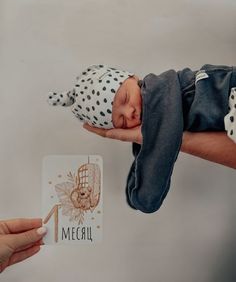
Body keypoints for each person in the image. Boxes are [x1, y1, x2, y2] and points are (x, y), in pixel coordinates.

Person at [47, 64, 236, 213]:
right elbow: (146, 153)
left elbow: (157, 156)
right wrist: (133, 193)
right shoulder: (156, 117)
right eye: (120, 120)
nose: (129, 112)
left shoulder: (158, 92)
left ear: (133, 78)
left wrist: (140, 198)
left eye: (125, 98)